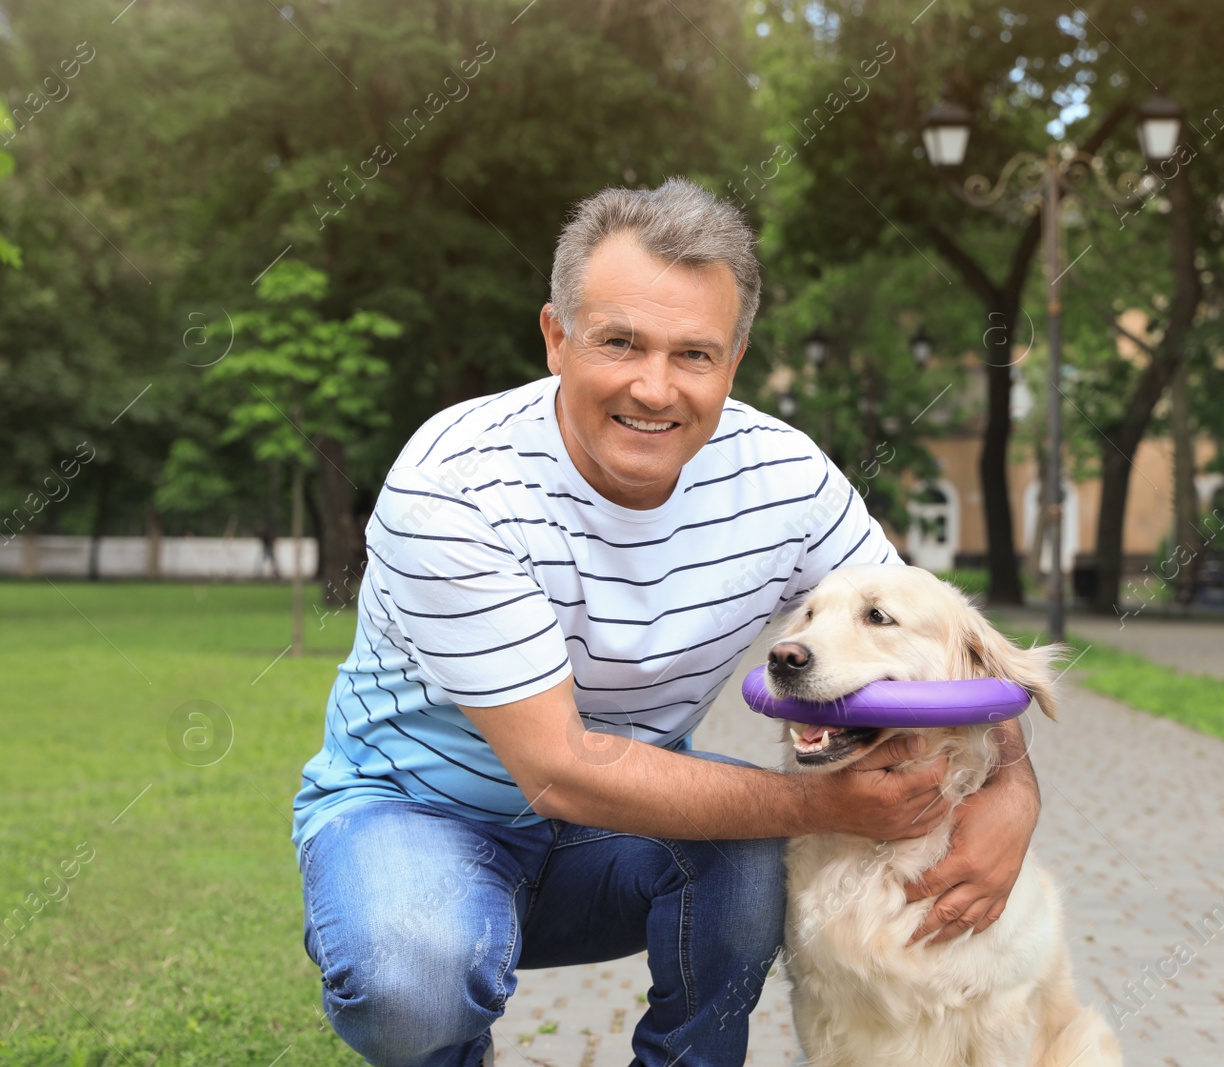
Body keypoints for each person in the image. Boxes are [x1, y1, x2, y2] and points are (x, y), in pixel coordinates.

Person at [290, 178, 1044, 1067]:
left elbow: (924, 626)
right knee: (409, 977)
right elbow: (560, 769)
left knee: (746, 862)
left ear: (735, 357)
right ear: (555, 337)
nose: (655, 388)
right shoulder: (452, 487)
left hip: (621, 830)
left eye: (694, 354)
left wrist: (1012, 788)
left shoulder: (785, 479)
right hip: (419, 812)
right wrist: (822, 801)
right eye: (620, 342)